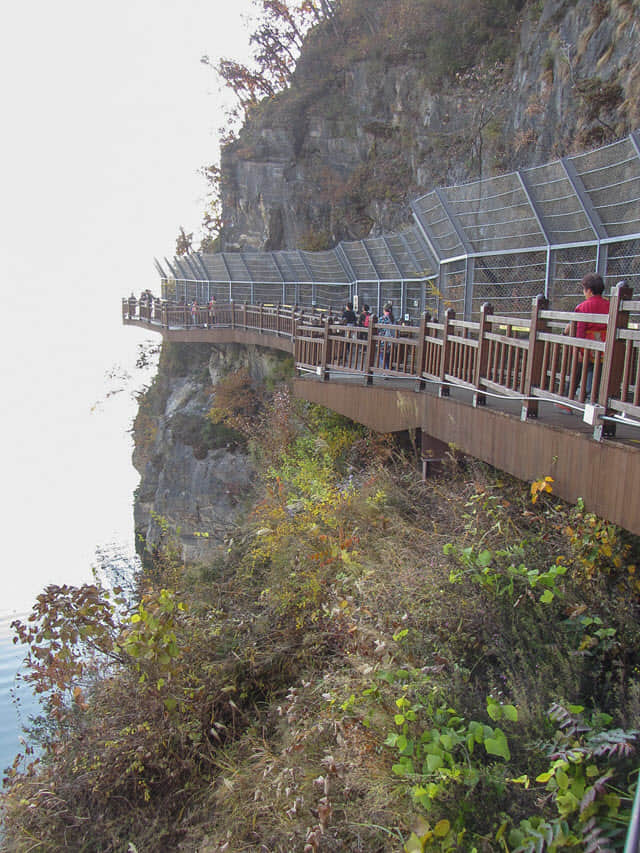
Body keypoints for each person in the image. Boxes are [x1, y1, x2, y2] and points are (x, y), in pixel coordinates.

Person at [563, 273, 609, 401]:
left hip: (586, 348)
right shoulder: (610, 305)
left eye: (584, 289)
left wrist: (576, 350)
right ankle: (593, 399)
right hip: (604, 348)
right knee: (597, 373)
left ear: (588, 290)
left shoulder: (582, 307)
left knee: (578, 372)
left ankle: (568, 400)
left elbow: (580, 330)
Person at [378, 302, 395, 368]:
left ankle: (385, 370)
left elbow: (379, 329)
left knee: (382, 356)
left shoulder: (382, 318)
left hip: (383, 340)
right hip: (391, 340)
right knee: (388, 356)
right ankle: (388, 369)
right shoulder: (393, 319)